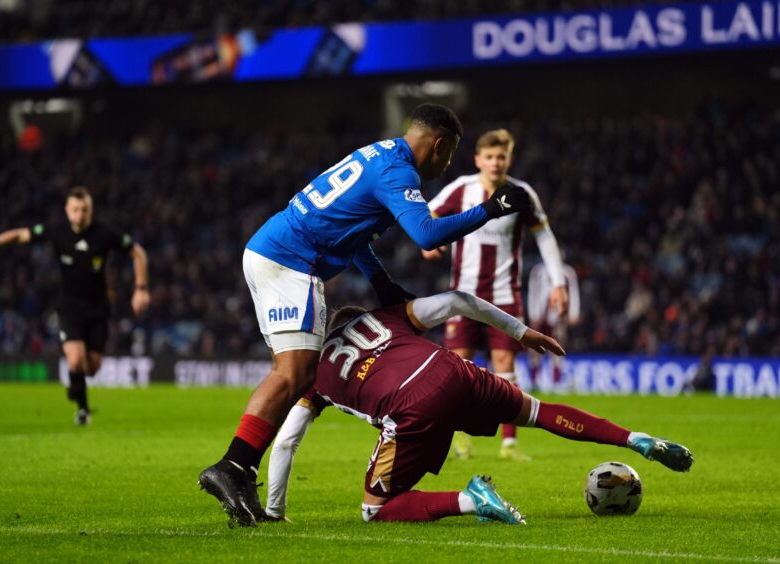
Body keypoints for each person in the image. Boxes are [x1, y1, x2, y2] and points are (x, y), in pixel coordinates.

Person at [198, 104, 535, 527]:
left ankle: (241, 470)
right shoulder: (399, 173)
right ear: (440, 143)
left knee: (298, 375)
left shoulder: (379, 154)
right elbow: (426, 233)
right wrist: (490, 208)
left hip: (273, 251)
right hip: (291, 261)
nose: (446, 163)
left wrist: (382, 284)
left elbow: (354, 235)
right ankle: (233, 466)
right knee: (294, 374)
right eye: (448, 155)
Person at [263, 291, 694, 523]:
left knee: (376, 510)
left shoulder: (310, 369)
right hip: (453, 369)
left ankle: (471, 500)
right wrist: (521, 332)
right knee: (537, 412)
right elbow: (458, 300)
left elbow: (285, 444)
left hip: (411, 406)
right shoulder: (388, 317)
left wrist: (275, 512)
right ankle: (635, 438)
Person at [423, 128, 567, 462]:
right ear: (478, 160)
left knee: (505, 364)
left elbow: (544, 236)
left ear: (509, 159)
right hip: (463, 295)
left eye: (501, 156)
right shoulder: (462, 189)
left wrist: (558, 282)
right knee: (460, 366)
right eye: (489, 156)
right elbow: (427, 212)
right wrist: (427, 244)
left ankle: (509, 443)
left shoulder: (521, 193)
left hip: (505, 294)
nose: (495, 162)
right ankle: (460, 439)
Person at [0, 186, 150, 424]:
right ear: (67, 210)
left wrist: (140, 288)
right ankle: (83, 409)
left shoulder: (105, 234)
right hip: (69, 307)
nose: (80, 214)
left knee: (92, 368)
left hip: (98, 308)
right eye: (75, 209)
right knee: (75, 360)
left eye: (84, 209)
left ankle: (76, 386)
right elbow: (23, 235)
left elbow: (137, 252)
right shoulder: (58, 231)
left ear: (91, 211)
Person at [527, 262, 581, 390]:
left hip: (558, 317)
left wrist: (573, 313)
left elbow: (573, 292)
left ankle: (556, 382)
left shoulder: (567, 272)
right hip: (539, 317)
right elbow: (532, 292)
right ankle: (534, 382)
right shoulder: (538, 271)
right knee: (535, 350)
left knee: (558, 348)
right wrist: (533, 314)